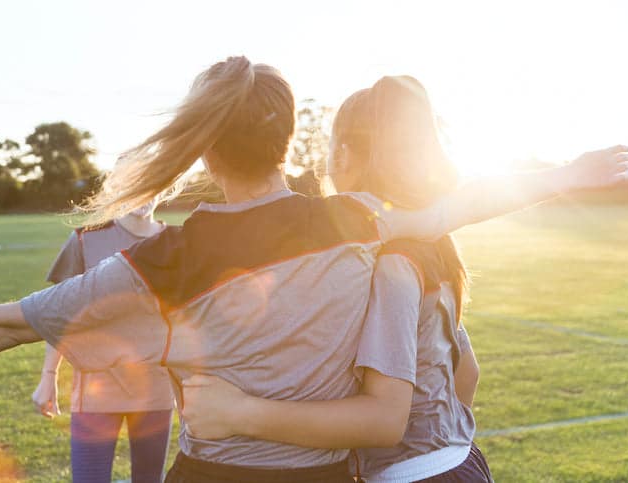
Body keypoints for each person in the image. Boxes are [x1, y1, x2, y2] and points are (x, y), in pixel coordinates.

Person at [0, 56, 628, 482]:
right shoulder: (356, 217)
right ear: (288, 139)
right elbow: (457, 206)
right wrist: (570, 173)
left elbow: (2, 326)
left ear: (206, 151)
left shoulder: (162, 261)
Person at [179, 75, 492, 482]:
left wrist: (241, 412)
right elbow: (466, 374)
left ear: (342, 154)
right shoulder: (433, 245)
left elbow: (384, 421)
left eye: (328, 145)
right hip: (462, 460)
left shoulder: (390, 266)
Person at [30, 200, 173, 483]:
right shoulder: (86, 238)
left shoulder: (175, 241)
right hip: (96, 390)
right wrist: (49, 375)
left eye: (152, 185)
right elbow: (60, 313)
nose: (144, 196)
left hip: (156, 389)